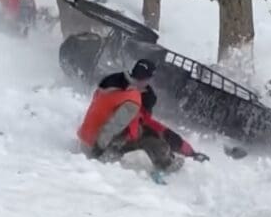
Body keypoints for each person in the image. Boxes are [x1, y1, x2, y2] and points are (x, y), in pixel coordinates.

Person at [77, 59, 209, 172]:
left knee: (146, 131)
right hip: (99, 146)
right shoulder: (133, 100)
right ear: (147, 79)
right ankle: (167, 165)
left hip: (84, 135)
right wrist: (98, 150)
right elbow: (113, 126)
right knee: (155, 143)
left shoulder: (112, 82)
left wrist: (190, 152)